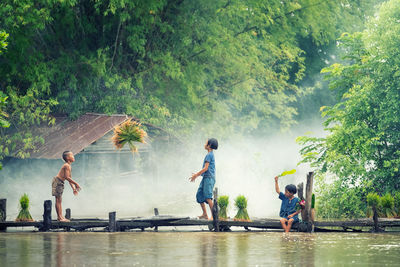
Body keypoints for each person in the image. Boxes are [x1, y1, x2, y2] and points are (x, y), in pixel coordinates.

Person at [190, 138, 218, 220]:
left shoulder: (209, 155)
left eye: (206, 143)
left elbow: (206, 168)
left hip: (209, 178)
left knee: (208, 197)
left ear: (209, 146)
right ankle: (205, 214)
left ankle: (213, 216)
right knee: (199, 195)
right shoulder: (209, 154)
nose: (204, 144)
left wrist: (196, 175)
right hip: (206, 178)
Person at [52, 151, 81, 222]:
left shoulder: (68, 166)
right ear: (68, 158)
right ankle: (60, 217)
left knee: (59, 200)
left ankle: (61, 216)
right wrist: (76, 184)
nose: (73, 156)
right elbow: (67, 177)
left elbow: (69, 178)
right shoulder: (66, 166)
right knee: (58, 200)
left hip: (60, 182)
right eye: (72, 155)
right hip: (57, 181)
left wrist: (74, 189)